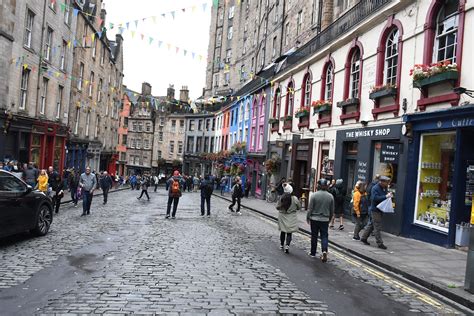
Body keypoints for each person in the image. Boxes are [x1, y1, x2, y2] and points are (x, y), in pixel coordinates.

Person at [361, 176, 392, 249]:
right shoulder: (375, 188)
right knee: (377, 227)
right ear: (382, 182)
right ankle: (379, 243)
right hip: (375, 210)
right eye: (386, 182)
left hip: (380, 209)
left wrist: (388, 195)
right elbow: (374, 198)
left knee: (371, 225)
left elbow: (383, 196)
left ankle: (364, 237)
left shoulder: (383, 188)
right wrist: (386, 196)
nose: (387, 184)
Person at [307, 179, 334, 263]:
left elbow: (310, 208)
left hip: (314, 219)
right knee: (324, 236)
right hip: (325, 219)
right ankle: (324, 251)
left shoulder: (314, 195)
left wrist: (308, 217)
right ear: (326, 186)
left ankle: (313, 253)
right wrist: (329, 219)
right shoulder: (330, 196)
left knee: (314, 236)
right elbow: (332, 210)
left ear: (318, 186)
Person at [276, 183, 301, 253]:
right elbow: (299, 207)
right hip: (291, 217)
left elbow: (277, 207)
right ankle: (287, 246)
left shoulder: (281, 198)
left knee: (283, 231)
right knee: (289, 233)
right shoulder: (295, 199)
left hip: (282, 217)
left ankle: (281, 245)